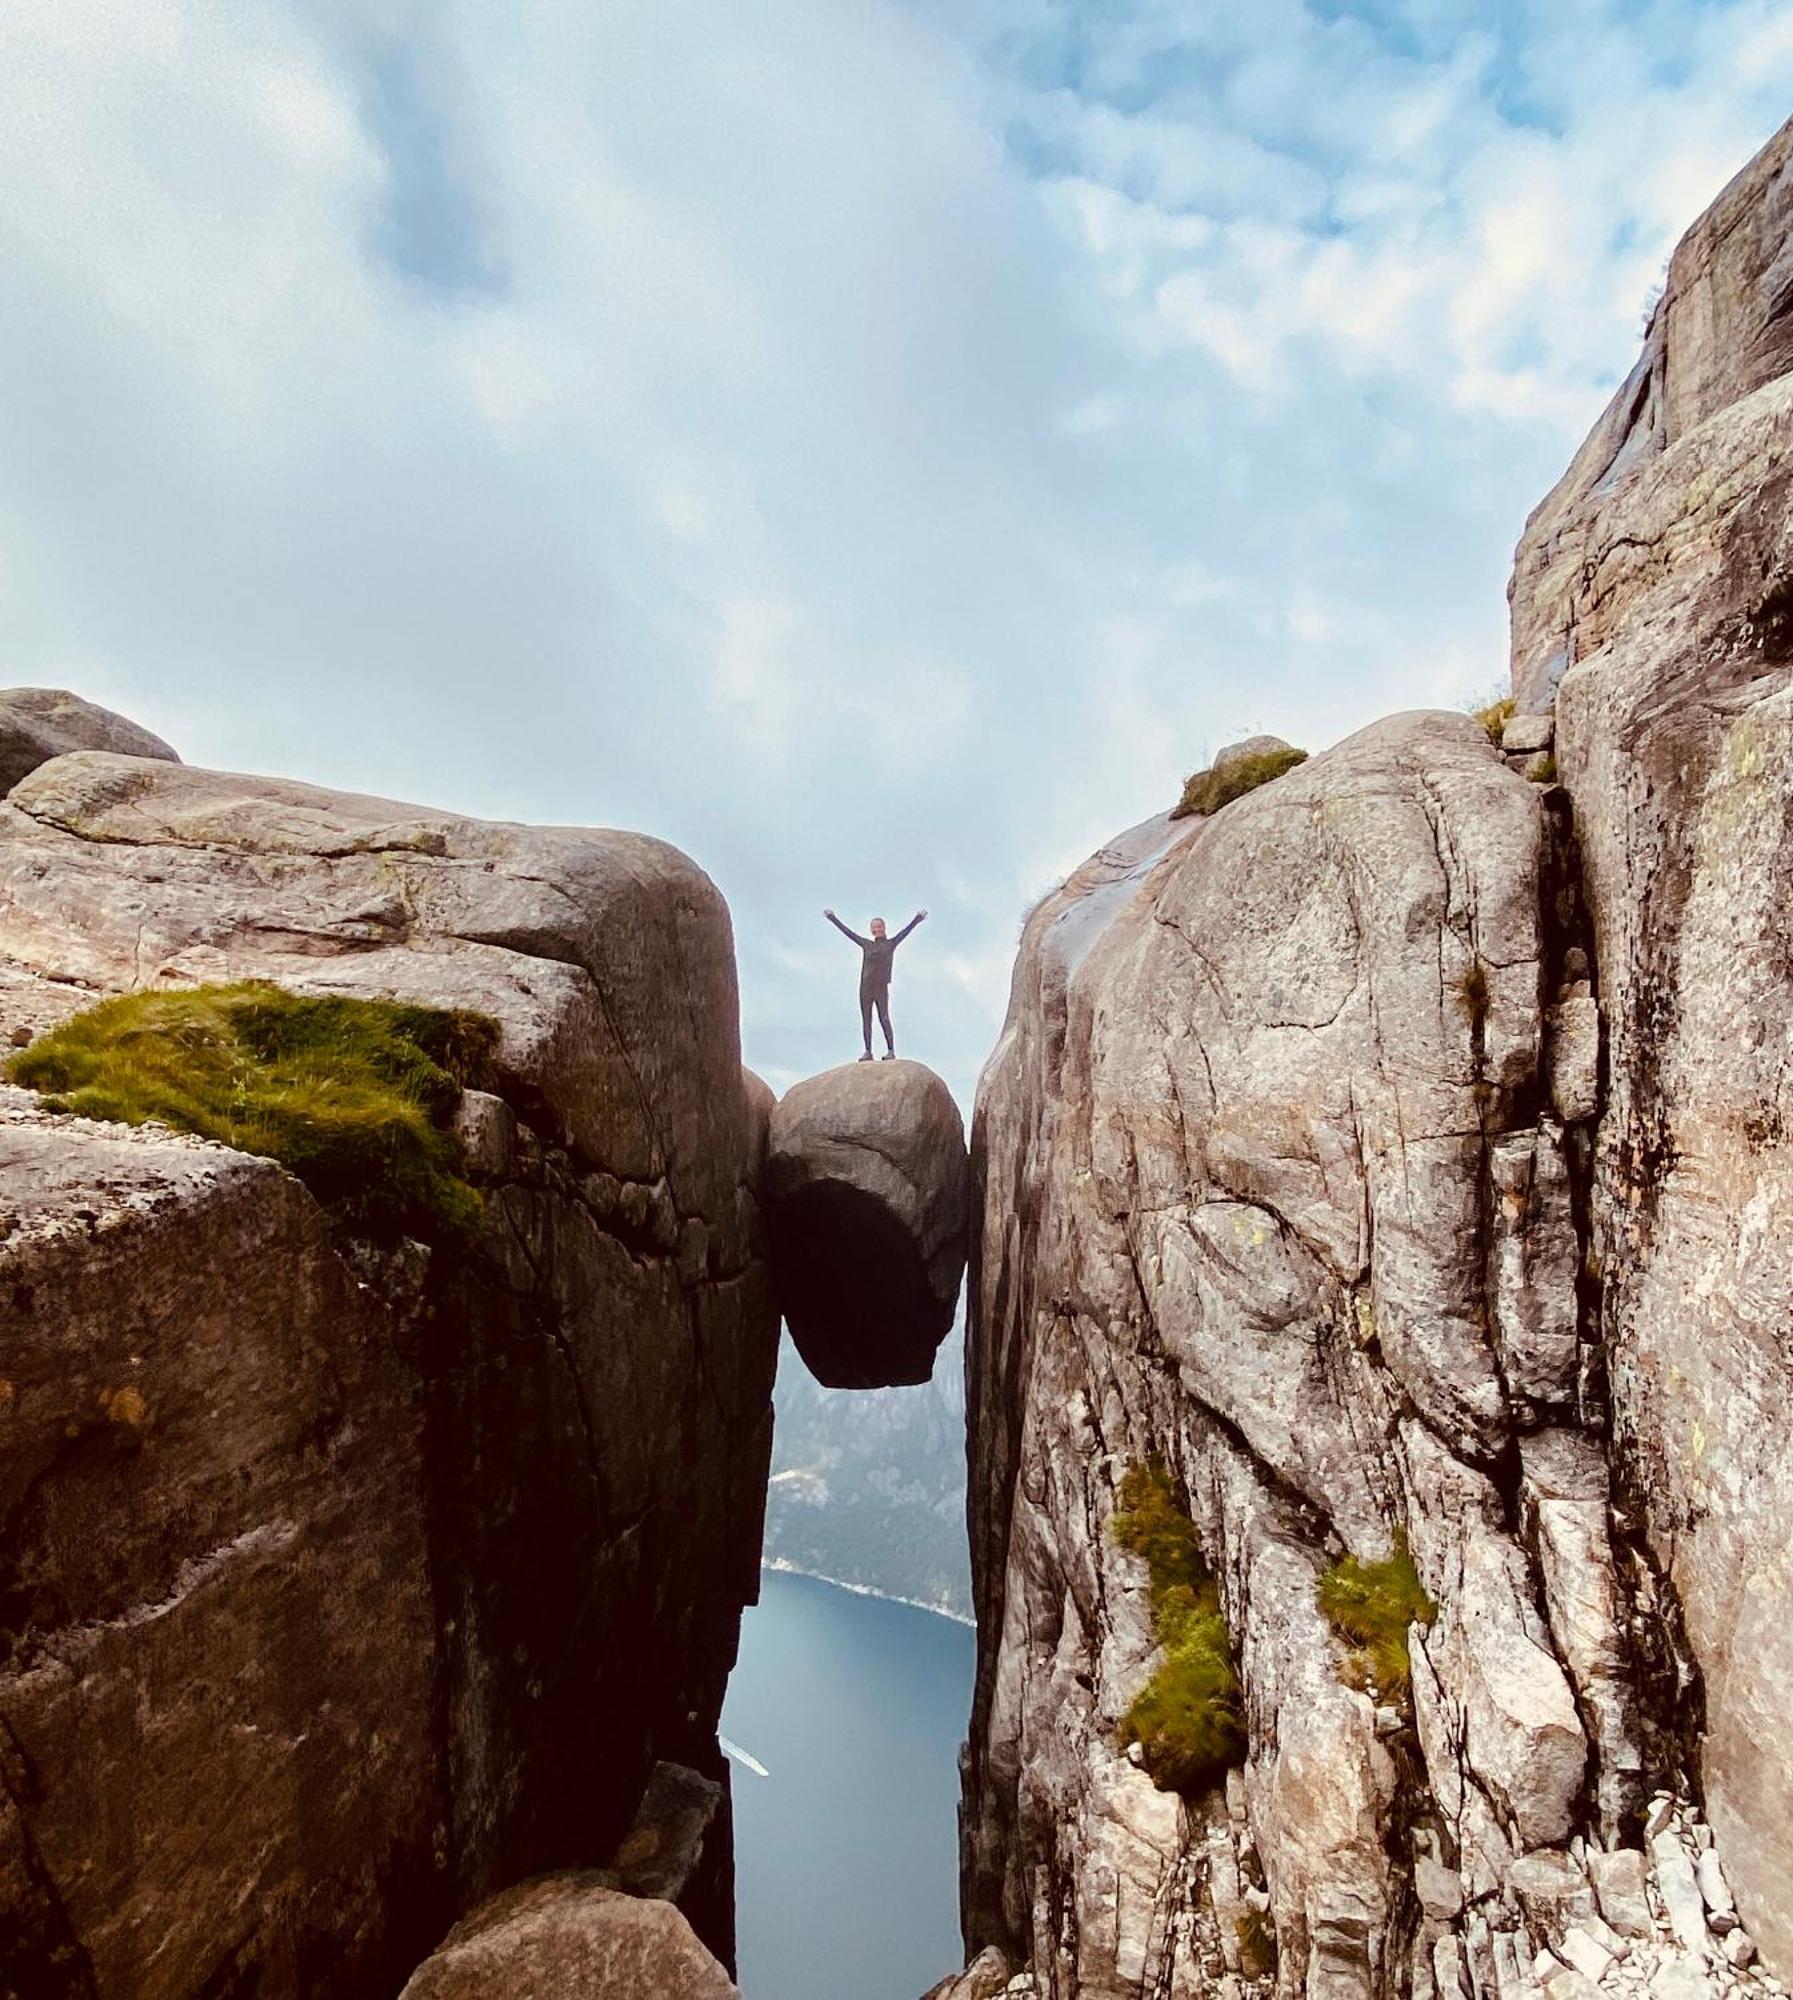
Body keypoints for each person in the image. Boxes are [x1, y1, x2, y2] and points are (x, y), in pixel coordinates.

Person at [823, 907, 926, 1061]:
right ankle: (868, 1051)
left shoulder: (891, 944)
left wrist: (917, 920)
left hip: (881, 987)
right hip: (865, 987)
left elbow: (905, 932)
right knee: (866, 1019)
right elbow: (848, 933)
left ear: (884, 928)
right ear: (872, 930)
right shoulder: (867, 944)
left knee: (884, 1018)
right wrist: (832, 918)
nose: (877, 929)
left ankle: (891, 1050)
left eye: (879, 926)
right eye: (874, 927)